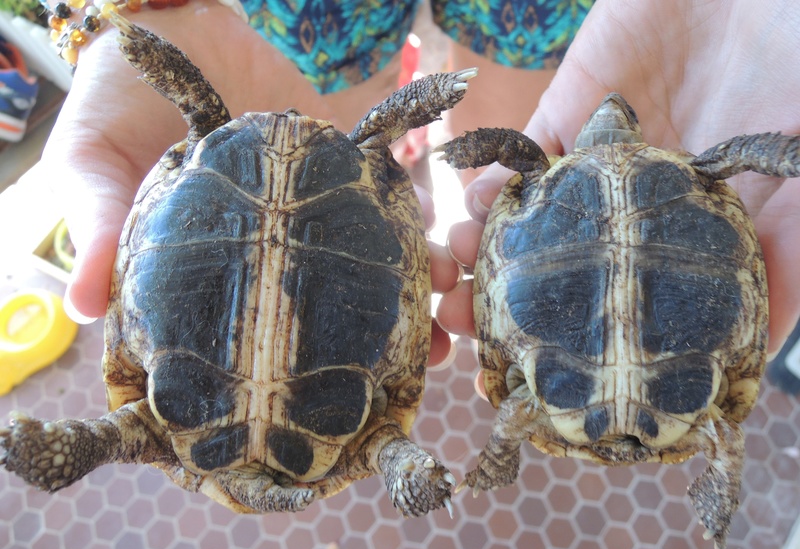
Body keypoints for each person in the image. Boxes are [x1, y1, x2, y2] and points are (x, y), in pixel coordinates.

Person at [31, 0, 592, 369]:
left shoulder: (205, 121)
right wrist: (114, 16)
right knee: (348, 139)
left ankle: (501, 287)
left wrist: (121, 24)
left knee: (487, 137)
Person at [434, 0, 800, 394]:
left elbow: (509, 146)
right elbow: (742, 152)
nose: (611, 105)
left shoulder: (539, 172)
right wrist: (785, 157)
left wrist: (468, 148)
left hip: (558, 391)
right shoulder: (700, 172)